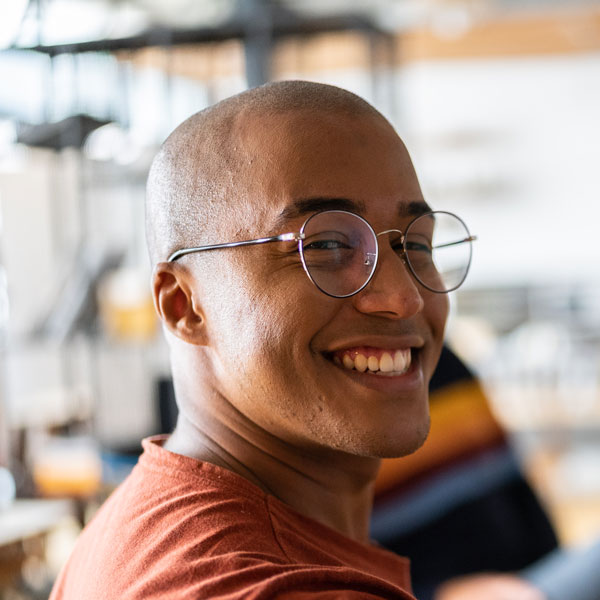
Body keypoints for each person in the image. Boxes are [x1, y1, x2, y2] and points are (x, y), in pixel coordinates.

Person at [49, 81, 544, 599]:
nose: (403, 297)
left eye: (415, 244)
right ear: (184, 306)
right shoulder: (274, 583)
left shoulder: (142, 524)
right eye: (326, 245)